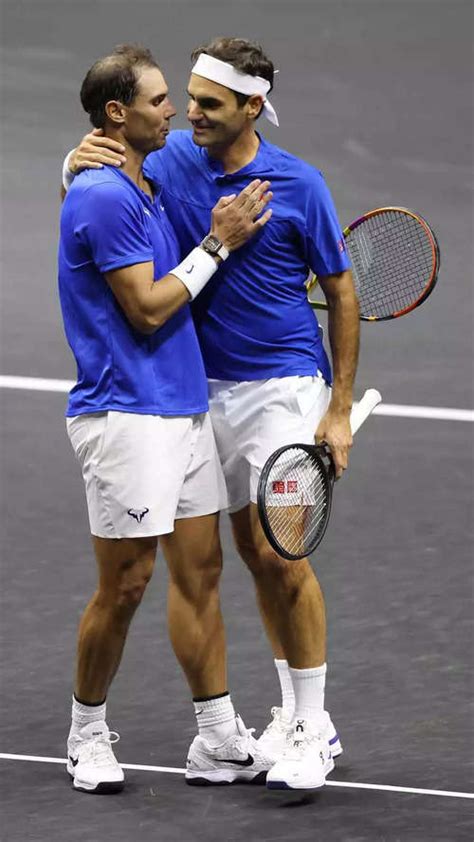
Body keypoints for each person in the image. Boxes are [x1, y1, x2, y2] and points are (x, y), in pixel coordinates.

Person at [63, 38, 360, 791]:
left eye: (206, 104)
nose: (188, 114)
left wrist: (338, 408)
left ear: (252, 107)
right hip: (197, 394)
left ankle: (309, 724)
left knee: (280, 555)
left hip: (282, 387)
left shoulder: (300, 184)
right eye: (182, 99)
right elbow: (106, 192)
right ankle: (230, 730)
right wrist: (71, 165)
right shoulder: (169, 162)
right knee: (222, 563)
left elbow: (343, 292)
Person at [58, 43, 276, 794]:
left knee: (201, 572)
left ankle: (216, 737)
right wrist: (218, 243)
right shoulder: (103, 196)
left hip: (182, 411)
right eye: (159, 101)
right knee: (125, 584)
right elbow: (148, 310)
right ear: (118, 113)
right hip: (125, 413)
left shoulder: (138, 184)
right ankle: (86, 732)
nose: (174, 112)